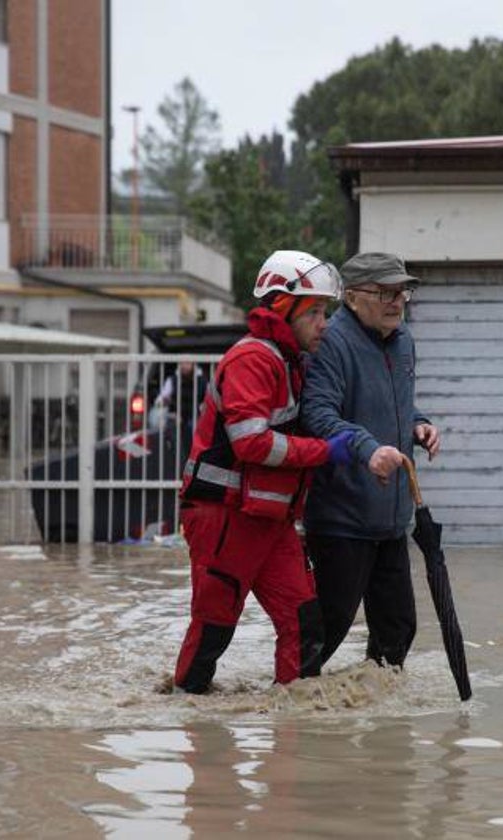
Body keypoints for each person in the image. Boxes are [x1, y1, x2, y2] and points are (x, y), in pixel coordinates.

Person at [173, 250, 355, 693]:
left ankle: (292, 733)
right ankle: (192, 730)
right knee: (214, 629)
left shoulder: (288, 361)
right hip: (225, 516)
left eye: (324, 313)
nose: (324, 324)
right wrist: (324, 452)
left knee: (305, 624)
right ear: (282, 309)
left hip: (268, 520)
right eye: (314, 312)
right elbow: (250, 443)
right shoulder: (253, 359)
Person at [300, 252, 441, 669]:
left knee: (398, 630)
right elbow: (318, 416)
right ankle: (289, 716)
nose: (396, 301)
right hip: (342, 518)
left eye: (402, 292)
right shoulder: (332, 342)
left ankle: (379, 722)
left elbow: (395, 407)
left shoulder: (404, 341)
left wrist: (419, 424)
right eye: (384, 292)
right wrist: (367, 448)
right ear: (352, 297)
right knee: (327, 630)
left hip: (392, 518)